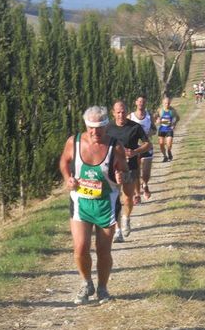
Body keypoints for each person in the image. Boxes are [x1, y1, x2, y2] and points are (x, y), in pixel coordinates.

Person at [59, 106, 128, 304]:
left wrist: (120, 175)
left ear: (106, 126)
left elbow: (126, 172)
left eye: (99, 128)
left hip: (106, 204)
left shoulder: (115, 147)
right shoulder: (74, 142)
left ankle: (103, 288)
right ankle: (86, 282)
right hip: (81, 203)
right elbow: (64, 161)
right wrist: (67, 178)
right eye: (91, 128)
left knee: (103, 251)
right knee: (80, 247)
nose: (95, 132)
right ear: (86, 126)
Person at [108, 100, 151, 241]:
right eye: (118, 112)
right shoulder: (108, 129)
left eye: (123, 112)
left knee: (127, 198)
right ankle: (117, 230)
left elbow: (148, 144)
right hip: (112, 169)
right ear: (113, 113)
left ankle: (126, 217)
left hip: (130, 168)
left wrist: (135, 152)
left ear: (127, 112)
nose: (121, 115)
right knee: (114, 199)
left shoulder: (135, 127)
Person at [128, 95, 155, 202]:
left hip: (146, 146)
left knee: (146, 173)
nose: (141, 103)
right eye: (139, 101)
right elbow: (125, 129)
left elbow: (154, 129)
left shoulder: (149, 116)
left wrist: (149, 133)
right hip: (134, 147)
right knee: (135, 172)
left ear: (145, 103)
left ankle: (145, 184)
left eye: (143, 102)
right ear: (135, 103)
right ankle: (137, 194)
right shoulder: (130, 116)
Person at [156, 96, 179, 162]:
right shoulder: (160, 110)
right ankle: (165, 156)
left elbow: (177, 118)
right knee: (161, 144)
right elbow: (155, 117)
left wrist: (174, 125)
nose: (167, 104)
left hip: (169, 129)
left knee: (169, 144)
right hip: (161, 129)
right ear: (163, 103)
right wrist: (157, 120)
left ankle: (169, 151)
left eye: (168, 103)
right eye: (166, 103)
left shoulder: (172, 110)